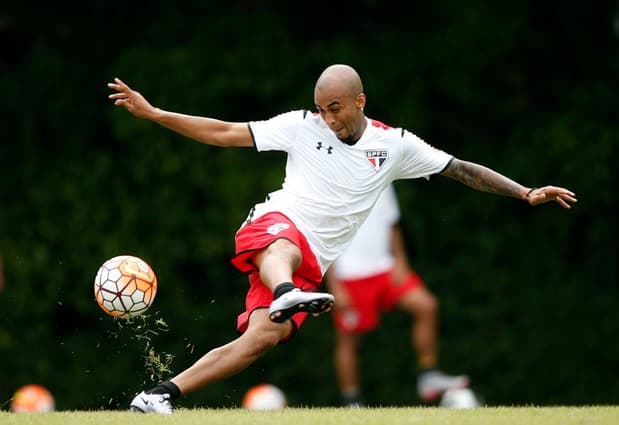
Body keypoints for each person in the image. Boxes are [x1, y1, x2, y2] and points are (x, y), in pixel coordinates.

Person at [107, 64, 576, 414]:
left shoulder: (394, 146)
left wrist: (524, 192)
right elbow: (224, 132)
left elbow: (461, 170)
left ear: (360, 102)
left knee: (260, 341)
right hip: (275, 227)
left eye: (335, 109)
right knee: (285, 249)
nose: (328, 119)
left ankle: (158, 395)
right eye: (322, 109)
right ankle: (287, 293)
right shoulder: (300, 126)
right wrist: (154, 114)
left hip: (310, 264)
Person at [325, 184, 468, 407]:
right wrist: (334, 284)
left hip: (386, 269)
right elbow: (325, 237)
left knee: (426, 305)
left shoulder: (382, 173)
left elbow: (391, 223)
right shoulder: (328, 184)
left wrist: (400, 260)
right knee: (348, 341)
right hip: (349, 277)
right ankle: (351, 400)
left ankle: (428, 375)